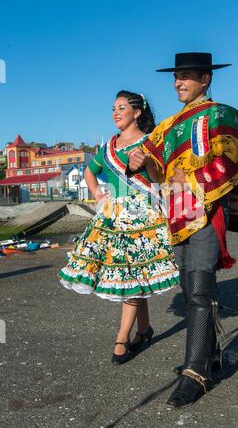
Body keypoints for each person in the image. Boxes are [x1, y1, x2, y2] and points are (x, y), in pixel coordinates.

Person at [128, 53, 238, 407]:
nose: (177, 82)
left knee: (201, 288)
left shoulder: (220, 114)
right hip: (176, 213)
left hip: (206, 208)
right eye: (175, 77)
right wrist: (140, 162)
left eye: (186, 76)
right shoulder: (169, 125)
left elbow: (234, 155)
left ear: (206, 79)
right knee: (190, 287)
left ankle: (196, 372)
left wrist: (188, 178)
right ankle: (213, 353)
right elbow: (156, 167)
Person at [59, 90, 179, 364]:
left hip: (144, 219)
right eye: (113, 108)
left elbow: (161, 178)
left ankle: (121, 340)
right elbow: (90, 171)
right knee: (133, 276)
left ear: (137, 112)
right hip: (113, 218)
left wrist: (147, 163)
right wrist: (98, 194)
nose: (115, 112)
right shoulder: (109, 147)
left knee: (132, 277)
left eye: (121, 107)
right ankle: (144, 330)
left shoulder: (151, 143)